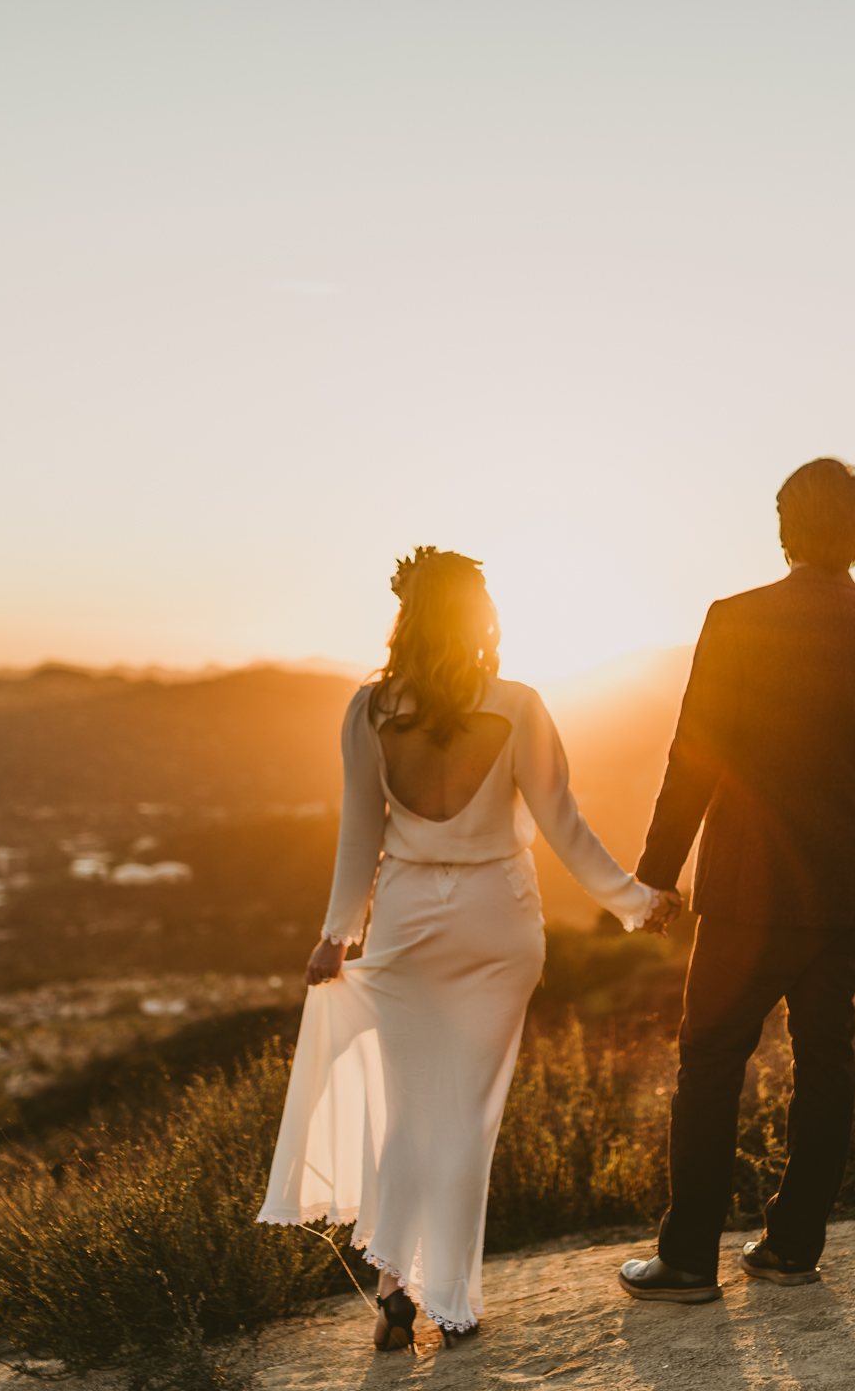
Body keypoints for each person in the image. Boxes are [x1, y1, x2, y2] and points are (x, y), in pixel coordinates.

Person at [258, 546, 663, 1350]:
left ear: (406, 614)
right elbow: (564, 827)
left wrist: (337, 936)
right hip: (498, 925)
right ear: (480, 617)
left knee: (410, 1113)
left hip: (409, 923)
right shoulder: (518, 706)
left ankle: (393, 1290)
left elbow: (358, 838)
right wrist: (634, 900)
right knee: (466, 1122)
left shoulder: (369, 711)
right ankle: (452, 1301)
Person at [617, 458, 855, 1303]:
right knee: (827, 1063)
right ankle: (792, 1247)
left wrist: (656, 873)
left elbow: (695, 756)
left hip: (752, 887)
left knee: (711, 1058)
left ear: (785, 525)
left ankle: (686, 1260)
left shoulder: (737, 620)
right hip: (845, 889)